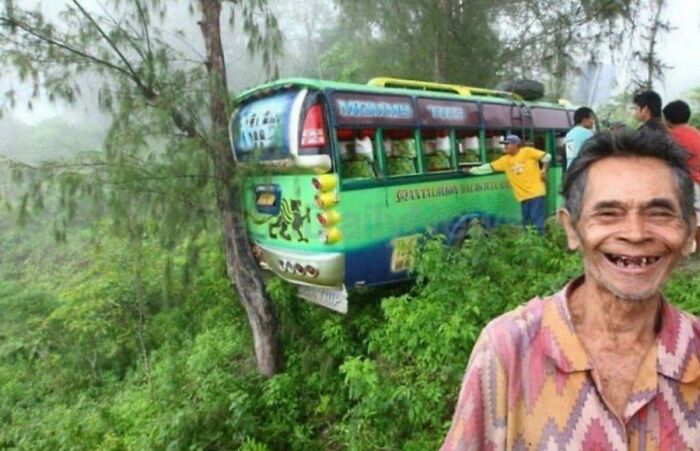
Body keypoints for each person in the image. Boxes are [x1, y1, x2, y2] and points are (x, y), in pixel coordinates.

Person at [442, 130, 699, 450]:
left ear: (690, 233)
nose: (635, 233)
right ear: (571, 229)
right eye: (608, 213)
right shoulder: (508, 349)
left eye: (660, 213)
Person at [465, 135, 550, 234]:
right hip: (523, 195)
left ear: (516, 145)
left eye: (507, 144)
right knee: (526, 222)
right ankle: (530, 244)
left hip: (536, 192)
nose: (505, 147)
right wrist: (472, 170)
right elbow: (489, 167)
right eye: (504, 144)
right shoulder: (505, 160)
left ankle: (539, 243)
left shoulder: (527, 151)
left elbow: (547, 157)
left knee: (536, 221)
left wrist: (544, 170)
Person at [664, 99, 700, 245]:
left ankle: (684, 245)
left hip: (682, 179)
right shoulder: (697, 134)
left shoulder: (671, 137)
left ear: (667, 119)